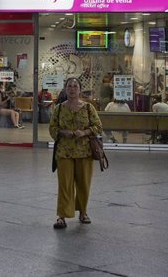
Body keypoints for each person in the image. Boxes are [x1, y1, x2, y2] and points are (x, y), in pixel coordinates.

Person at [49, 77, 103, 229]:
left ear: (79, 89)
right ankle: (62, 216)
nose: (72, 89)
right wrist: (62, 132)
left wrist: (85, 132)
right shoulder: (59, 108)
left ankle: (83, 212)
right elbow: (52, 127)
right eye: (69, 86)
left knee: (83, 184)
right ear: (65, 89)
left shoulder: (88, 108)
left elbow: (98, 126)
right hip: (64, 152)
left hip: (84, 152)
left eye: (75, 86)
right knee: (64, 185)